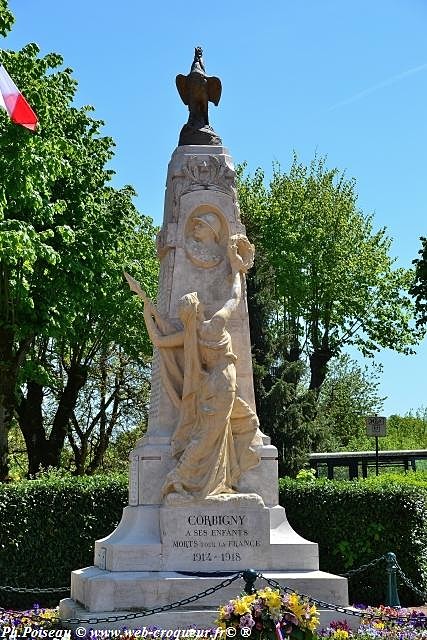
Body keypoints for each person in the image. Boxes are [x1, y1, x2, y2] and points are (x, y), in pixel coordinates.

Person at [124, 239, 259, 502]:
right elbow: (235, 297)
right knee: (211, 435)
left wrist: (146, 312)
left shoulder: (189, 335)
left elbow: (159, 341)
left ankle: (222, 476)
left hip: (211, 386)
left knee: (235, 426)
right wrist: (237, 271)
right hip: (222, 384)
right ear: (199, 310)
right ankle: (179, 477)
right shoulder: (215, 324)